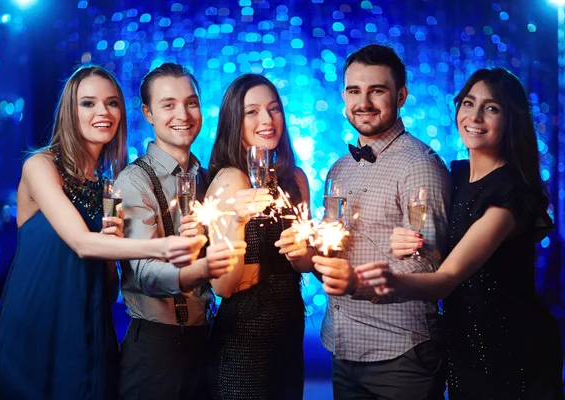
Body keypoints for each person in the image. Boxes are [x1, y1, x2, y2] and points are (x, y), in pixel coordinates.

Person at [0, 65, 207, 400]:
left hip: (89, 324)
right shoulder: (40, 166)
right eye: (88, 103)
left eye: (112, 103)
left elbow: (106, 288)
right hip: (37, 320)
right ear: (69, 112)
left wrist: (112, 246)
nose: (102, 112)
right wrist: (165, 246)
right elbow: (80, 244)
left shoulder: (108, 184)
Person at [357, 67, 563, 399]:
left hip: (510, 347)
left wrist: (389, 281)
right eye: (468, 103)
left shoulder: (509, 192)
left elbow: (449, 275)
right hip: (463, 340)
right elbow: (440, 249)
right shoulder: (456, 174)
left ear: (512, 120)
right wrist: (407, 241)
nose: (475, 116)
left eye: (491, 108)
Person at [311, 44, 452, 399]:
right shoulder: (338, 169)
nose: (364, 102)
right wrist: (309, 252)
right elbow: (335, 253)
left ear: (401, 95)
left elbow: (430, 268)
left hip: (399, 354)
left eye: (377, 90)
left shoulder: (419, 165)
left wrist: (356, 282)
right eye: (354, 90)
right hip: (342, 346)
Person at [116, 62, 245, 400]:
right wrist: (200, 268)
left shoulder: (207, 179)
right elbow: (144, 274)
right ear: (148, 113)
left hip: (205, 342)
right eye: (168, 104)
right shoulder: (134, 181)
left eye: (191, 102)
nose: (183, 114)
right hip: (157, 351)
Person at [206, 73, 310, 399]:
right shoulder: (232, 180)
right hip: (244, 340)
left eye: (273, 109)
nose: (266, 119)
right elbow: (222, 286)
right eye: (252, 111)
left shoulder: (295, 178)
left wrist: (301, 251)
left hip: (290, 332)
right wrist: (238, 221)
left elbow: (304, 265)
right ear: (234, 121)